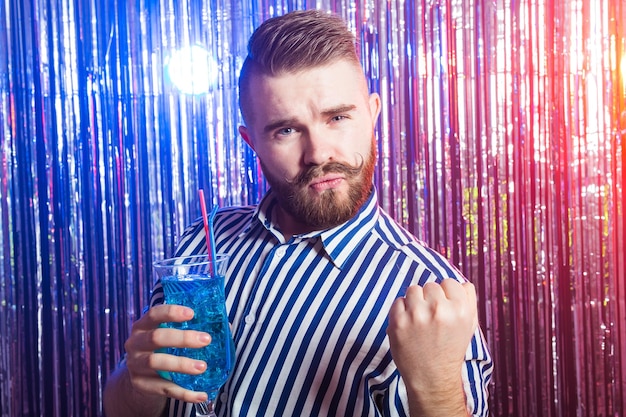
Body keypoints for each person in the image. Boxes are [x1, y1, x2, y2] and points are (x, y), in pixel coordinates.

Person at [103, 9, 492, 417]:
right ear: (251, 142)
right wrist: (136, 384)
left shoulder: (431, 293)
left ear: (373, 114)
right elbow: (122, 406)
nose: (319, 153)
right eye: (286, 130)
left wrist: (435, 387)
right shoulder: (204, 240)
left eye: (338, 117)